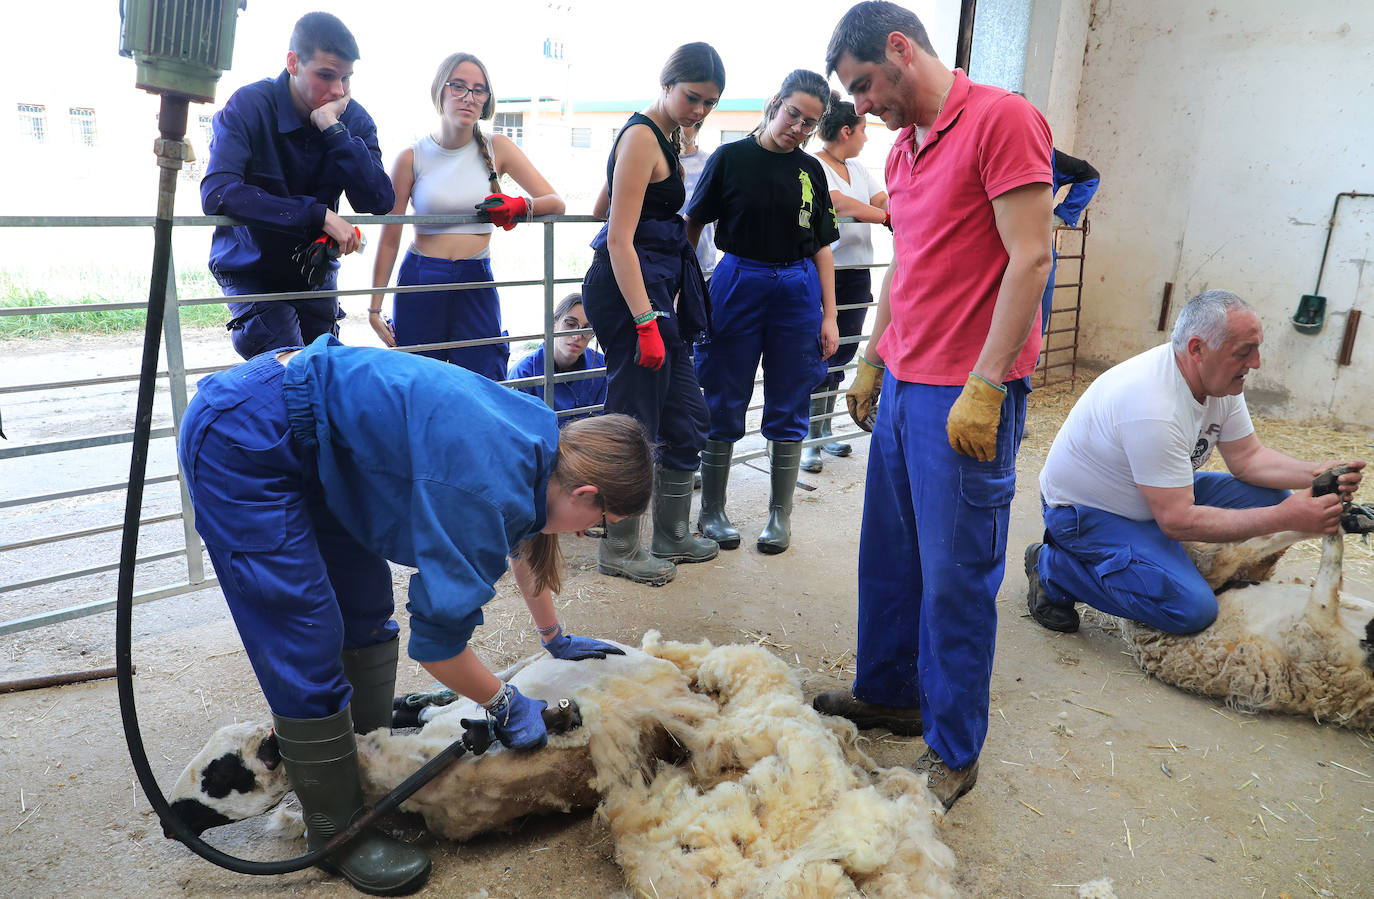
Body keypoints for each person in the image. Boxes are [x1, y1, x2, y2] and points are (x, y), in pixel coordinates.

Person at [177, 334, 650, 895]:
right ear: (587, 493)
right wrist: (502, 700)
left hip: (318, 440)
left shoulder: (543, 445)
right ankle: (335, 830)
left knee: (365, 610)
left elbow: (528, 542)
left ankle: (366, 779)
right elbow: (439, 647)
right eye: (596, 524)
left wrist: (555, 637)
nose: (584, 535)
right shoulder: (485, 491)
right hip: (246, 437)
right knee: (304, 630)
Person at [812, 1, 1054, 811]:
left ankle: (953, 748)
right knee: (889, 558)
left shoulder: (1003, 120)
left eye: (863, 86)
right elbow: (904, 270)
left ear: (899, 48)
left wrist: (988, 383)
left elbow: (1030, 257)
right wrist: (872, 359)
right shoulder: (909, 151)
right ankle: (888, 691)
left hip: (967, 389)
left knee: (956, 577)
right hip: (909, 383)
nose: (861, 107)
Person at [1027, 290, 1365, 636]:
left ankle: (1158, 565)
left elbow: (1248, 459)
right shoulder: (1152, 407)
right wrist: (1286, 517)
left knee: (1273, 499)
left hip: (1157, 494)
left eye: (1257, 347)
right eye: (1244, 352)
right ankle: (1054, 567)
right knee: (1191, 610)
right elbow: (1177, 521)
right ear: (1197, 349)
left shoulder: (1218, 381)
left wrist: (1318, 472)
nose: (1257, 362)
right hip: (1089, 513)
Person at [581, 42, 725, 586]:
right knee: (633, 421)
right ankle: (619, 548)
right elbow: (617, 238)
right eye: (693, 97)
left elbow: (602, 206)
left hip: (657, 289)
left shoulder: (655, 136)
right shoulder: (642, 135)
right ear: (667, 83)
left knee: (687, 413)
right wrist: (644, 321)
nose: (700, 111)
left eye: (710, 103)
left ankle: (670, 533)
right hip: (632, 294)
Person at [684, 69, 840, 555]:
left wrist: (829, 314)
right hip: (737, 280)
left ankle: (779, 514)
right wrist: (685, 290)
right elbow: (692, 224)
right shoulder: (730, 159)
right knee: (723, 393)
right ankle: (712, 510)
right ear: (776, 103)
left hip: (797, 288)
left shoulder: (811, 171)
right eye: (794, 114)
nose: (798, 127)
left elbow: (823, 247)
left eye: (810, 123)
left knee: (791, 394)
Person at [201, 12, 394, 361]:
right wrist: (317, 214)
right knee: (290, 371)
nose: (338, 90)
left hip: (314, 271)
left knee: (324, 371)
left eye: (346, 78)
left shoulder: (351, 119)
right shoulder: (248, 106)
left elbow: (379, 199)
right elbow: (217, 192)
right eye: (325, 75)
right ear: (293, 62)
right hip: (252, 269)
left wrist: (333, 130)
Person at [370, 52, 565, 379]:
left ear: (487, 99)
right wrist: (374, 309)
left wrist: (519, 207)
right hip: (421, 278)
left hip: (476, 277)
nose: (468, 97)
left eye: (478, 90)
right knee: (417, 383)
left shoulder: (497, 147)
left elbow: (555, 202)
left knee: (484, 382)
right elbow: (390, 239)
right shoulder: (411, 157)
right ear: (440, 91)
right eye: (458, 86)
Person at [804, 93, 888, 474]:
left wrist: (893, 208)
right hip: (828, 273)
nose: (866, 138)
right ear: (845, 130)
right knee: (821, 352)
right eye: (863, 130)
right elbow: (841, 204)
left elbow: (882, 197)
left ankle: (823, 432)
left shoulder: (858, 168)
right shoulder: (815, 166)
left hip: (857, 274)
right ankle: (808, 439)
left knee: (843, 352)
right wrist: (887, 217)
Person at [508, 292, 608, 425]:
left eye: (587, 328)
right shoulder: (523, 373)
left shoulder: (601, 366)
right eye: (570, 324)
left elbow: (603, 424)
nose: (577, 336)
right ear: (554, 324)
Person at [1039, 149, 1100, 335]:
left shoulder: (1045, 153)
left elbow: (1089, 176)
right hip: (1003, 251)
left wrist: (1061, 216)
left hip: (1038, 250)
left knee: (1031, 332)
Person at [678, 121, 717, 276]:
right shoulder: (655, 161)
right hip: (660, 263)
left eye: (682, 122)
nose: (677, 128)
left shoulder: (711, 162)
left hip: (703, 268)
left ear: (698, 125)